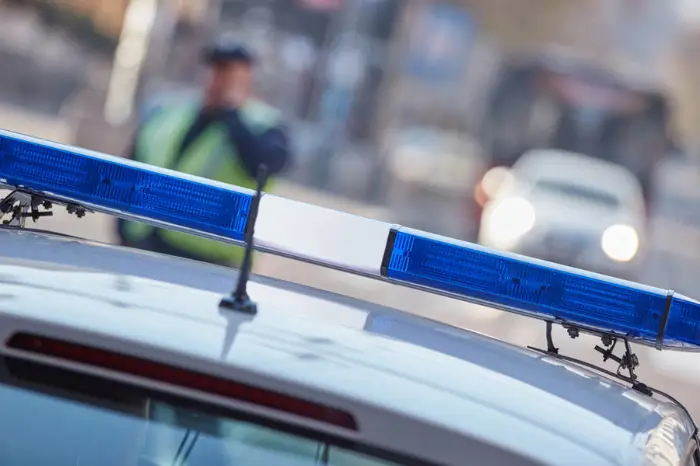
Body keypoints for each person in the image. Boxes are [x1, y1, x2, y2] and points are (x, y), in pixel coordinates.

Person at [117, 40, 291, 267]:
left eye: (230, 72)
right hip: (143, 247)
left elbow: (264, 165)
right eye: (216, 69)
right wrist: (123, 230)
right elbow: (129, 170)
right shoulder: (169, 115)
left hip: (211, 264)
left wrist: (231, 112)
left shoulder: (264, 125)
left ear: (248, 79)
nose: (219, 79)